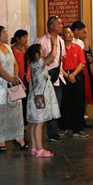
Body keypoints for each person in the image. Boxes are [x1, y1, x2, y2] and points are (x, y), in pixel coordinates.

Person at [0, 25, 28, 151]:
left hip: (13, 82)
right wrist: (11, 80)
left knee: (16, 111)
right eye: (3, 32)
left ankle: (19, 137)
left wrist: (15, 77)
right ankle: (1, 140)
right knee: (1, 111)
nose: (6, 34)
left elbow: (15, 64)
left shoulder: (8, 47)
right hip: (0, 85)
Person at [33, 15, 66, 143]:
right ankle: (38, 133)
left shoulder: (61, 40)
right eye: (59, 24)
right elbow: (36, 60)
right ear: (52, 26)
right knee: (42, 106)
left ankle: (53, 132)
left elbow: (61, 60)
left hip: (58, 77)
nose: (62, 26)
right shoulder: (41, 40)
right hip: (44, 79)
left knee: (56, 105)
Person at [26, 42, 61, 157]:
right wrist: (54, 44)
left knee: (34, 123)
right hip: (40, 98)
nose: (44, 51)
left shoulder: (33, 64)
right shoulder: (38, 63)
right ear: (37, 54)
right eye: (41, 50)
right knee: (39, 123)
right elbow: (52, 56)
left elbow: (49, 58)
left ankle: (34, 147)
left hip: (35, 96)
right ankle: (40, 149)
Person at [59, 27, 88, 138]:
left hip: (77, 76)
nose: (71, 34)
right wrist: (67, 75)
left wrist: (73, 74)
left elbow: (82, 63)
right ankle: (65, 127)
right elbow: (58, 64)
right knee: (65, 102)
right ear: (62, 36)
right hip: (64, 76)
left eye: (71, 32)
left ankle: (77, 128)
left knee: (79, 102)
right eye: (67, 33)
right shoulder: (60, 49)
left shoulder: (78, 47)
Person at [70, 21, 93, 126]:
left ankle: (83, 116)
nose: (84, 34)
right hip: (73, 70)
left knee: (85, 93)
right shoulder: (70, 42)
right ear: (76, 30)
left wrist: (86, 40)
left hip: (83, 70)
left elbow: (88, 56)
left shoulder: (81, 42)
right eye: (83, 32)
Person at [10, 29, 29, 124]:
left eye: (27, 37)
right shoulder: (11, 50)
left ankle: (24, 122)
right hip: (16, 79)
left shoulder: (27, 49)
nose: (26, 39)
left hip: (26, 79)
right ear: (17, 39)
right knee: (17, 101)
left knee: (25, 101)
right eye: (24, 37)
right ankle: (16, 122)